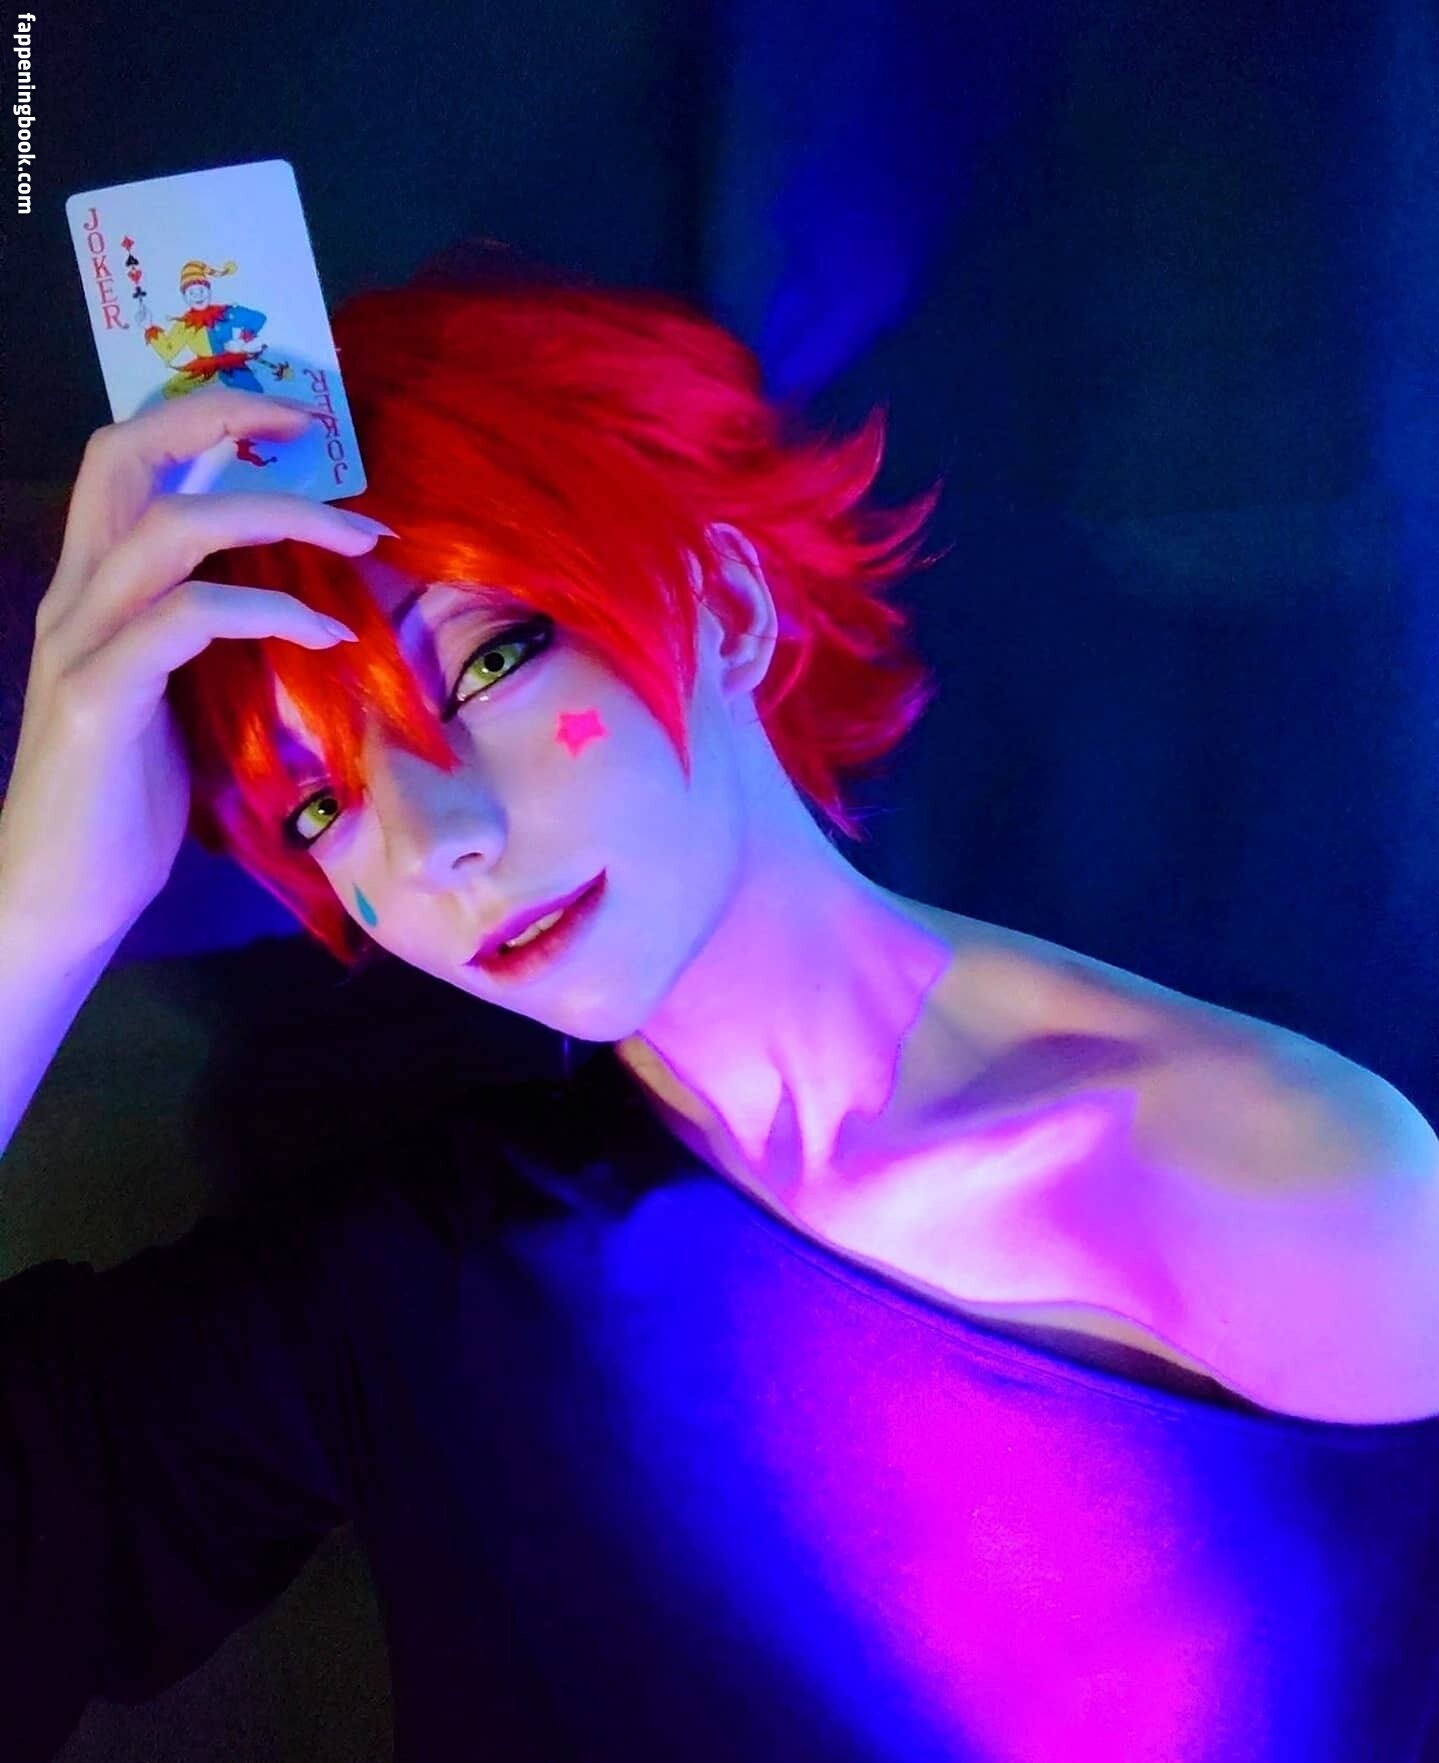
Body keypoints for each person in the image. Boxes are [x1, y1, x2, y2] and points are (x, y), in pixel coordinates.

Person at [2, 261, 1438, 1762]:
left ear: (728, 600)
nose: (436, 843)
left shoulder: (1285, 1180)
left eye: (487, 661)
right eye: (322, 805)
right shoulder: (418, 1272)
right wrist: (40, 908)